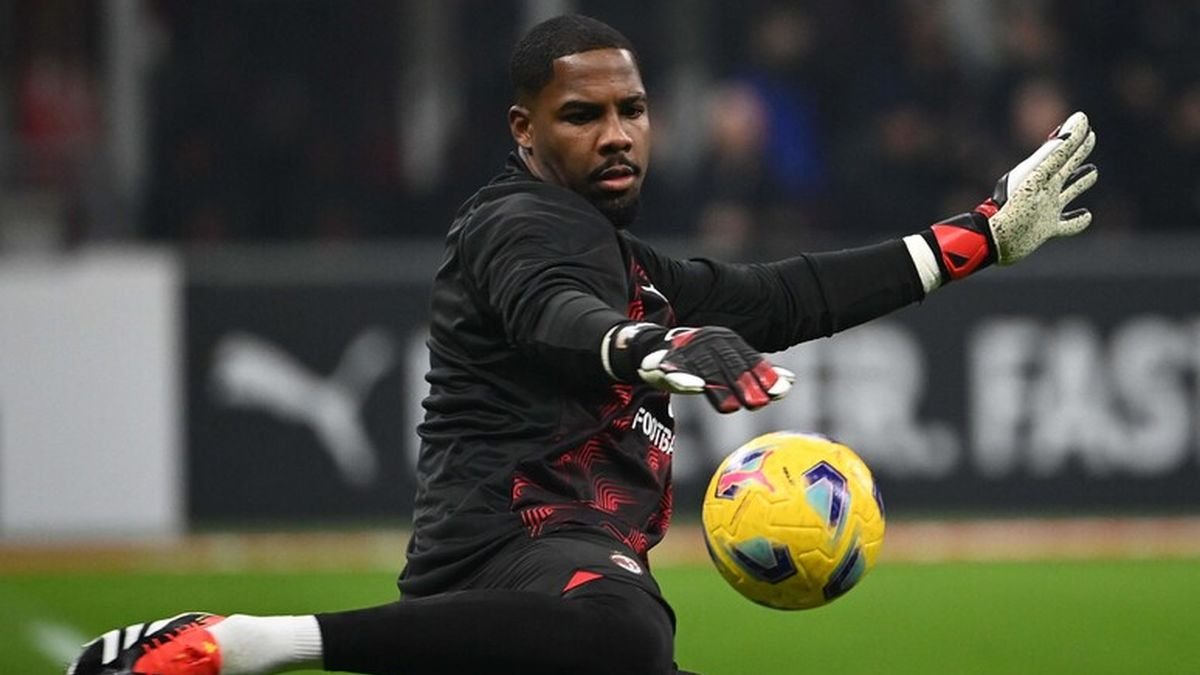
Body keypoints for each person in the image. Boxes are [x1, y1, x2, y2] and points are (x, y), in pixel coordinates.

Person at [68, 14, 1097, 675]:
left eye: (632, 110)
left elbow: (789, 295)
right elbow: (551, 310)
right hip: (508, 547)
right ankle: (251, 642)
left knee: (631, 634)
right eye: (582, 115)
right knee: (629, 631)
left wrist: (982, 236)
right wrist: (641, 348)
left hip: (541, 582)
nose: (616, 133)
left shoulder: (627, 259)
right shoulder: (512, 222)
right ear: (525, 130)